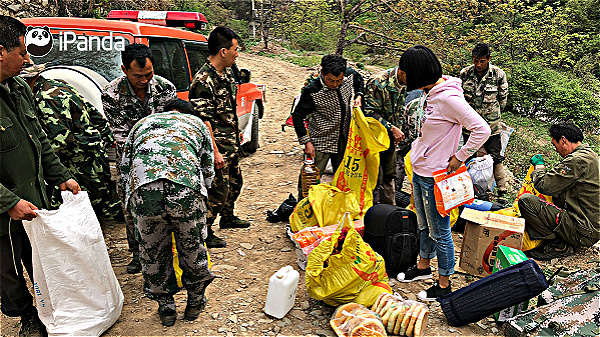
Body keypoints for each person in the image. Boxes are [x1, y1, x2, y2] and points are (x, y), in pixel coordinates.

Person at [0, 15, 80, 337]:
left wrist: (60, 174)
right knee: (6, 270)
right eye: (22, 51)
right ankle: (26, 317)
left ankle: (54, 309)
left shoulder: (18, 88)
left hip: (34, 200)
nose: (28, 59)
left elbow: (38, 138)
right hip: (4, 212)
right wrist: (7, 201)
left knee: (43, 260)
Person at [395, 45, 490, 301]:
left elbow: (482, 129)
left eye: (405, 71)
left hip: (436, 177)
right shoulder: (433, 91)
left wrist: (459, 156)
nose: (402, 75)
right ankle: (424, 268)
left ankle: (444, 284)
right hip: (420, 170)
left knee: (441, 231)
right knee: (423, 224)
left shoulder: (448, 98)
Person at [120, 99, 215, 327]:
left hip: (144, 190)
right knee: (191, 247)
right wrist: (202, 195)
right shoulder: (197, 123)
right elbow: (207, 167)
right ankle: (195, 301)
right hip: (185, 188)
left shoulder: (142, 123)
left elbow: (124, 169)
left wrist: (129, 204)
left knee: (152, 251)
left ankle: (166, 307)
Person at [102, 43, 177, 273]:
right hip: (131, 161)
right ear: (124, 70)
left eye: (149, 74)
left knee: (168, 205)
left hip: (165, 159)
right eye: (138, 76)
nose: (145, 80)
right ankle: (137, 253)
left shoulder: (165, 88)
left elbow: (171, 126)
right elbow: (122, 136)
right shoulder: (111, 94)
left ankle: (166, 251)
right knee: (131, 207)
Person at [21, 63, 121, 221]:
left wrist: (34, 155)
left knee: (97, 207)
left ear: (25, 81)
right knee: (104, 200)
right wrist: (103, 140)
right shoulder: (59, 84)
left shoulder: (44, 98)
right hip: (91, 152)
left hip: (79, 160)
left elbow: (61, 141)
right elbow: (93, 113)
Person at [189, 27, 250, 249]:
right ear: (223, 51)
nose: (237, 53)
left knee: (235, 182)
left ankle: (228, 216)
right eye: (235, 49)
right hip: (216, 146)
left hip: (229, 142)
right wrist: (214, 151)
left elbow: (225, 111)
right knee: (217, 189)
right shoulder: (204, 80)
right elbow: (204, 120)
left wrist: (235, 132)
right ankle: (204, 231)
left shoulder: (225, 74)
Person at [520, 122, 599, 261]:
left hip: (583, 231)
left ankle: (558, 246)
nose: (556, 150)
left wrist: (539, 167)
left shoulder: (577, 160)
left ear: (563, 140)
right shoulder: (591, 156)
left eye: (554, 145)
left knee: (527, 201)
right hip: (591, 228)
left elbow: (544, 185)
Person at [291, 54, 364, 198]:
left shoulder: (350, 75)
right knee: (310, 179)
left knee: (343, 176)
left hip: (344, 137)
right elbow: (297, 116)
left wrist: (359, 95)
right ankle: (304, 209)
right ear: (322, 73)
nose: (335, 84)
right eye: (331, 80)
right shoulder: (312, 91)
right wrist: (306, 142)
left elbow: (359, 81)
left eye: (339, 80)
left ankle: (336, 208)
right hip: (321, 139)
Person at [459, 43, 509, 198]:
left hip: (491, 124)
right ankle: (467, 189)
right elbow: (459, 98)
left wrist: (493, 114)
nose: (478, 64)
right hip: (469, 125)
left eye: (482, 61)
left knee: (495, 156)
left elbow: (503, 99)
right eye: (475, 60)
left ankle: (502, 191)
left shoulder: (498, 75)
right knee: (468, 155)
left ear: (488, 59)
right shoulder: (465, 73)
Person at [364, 66, 407, 204]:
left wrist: (397, 131)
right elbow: (369, 114)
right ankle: (371, 212)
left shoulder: (404, 84)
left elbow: (399, 111)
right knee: (374, 175)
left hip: (389, 138)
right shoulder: (378, 83)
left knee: (389, 174)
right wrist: (392, 128)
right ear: (402, 71)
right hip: (373, 139)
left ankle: (388, 212)